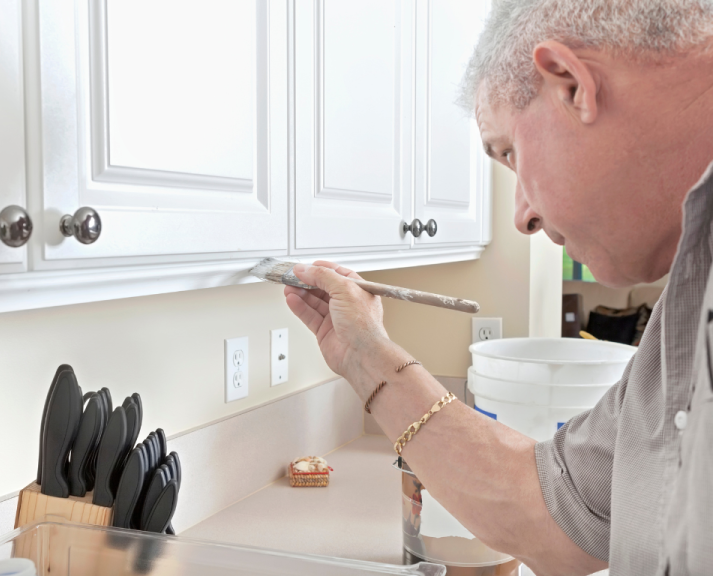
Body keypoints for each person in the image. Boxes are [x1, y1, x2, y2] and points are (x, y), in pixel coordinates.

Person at [282, 1, 713, 575]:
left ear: (571, 85)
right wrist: (365, 355)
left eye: (508, 153)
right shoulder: (683, 313)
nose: (522, 217)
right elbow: (555, 512)